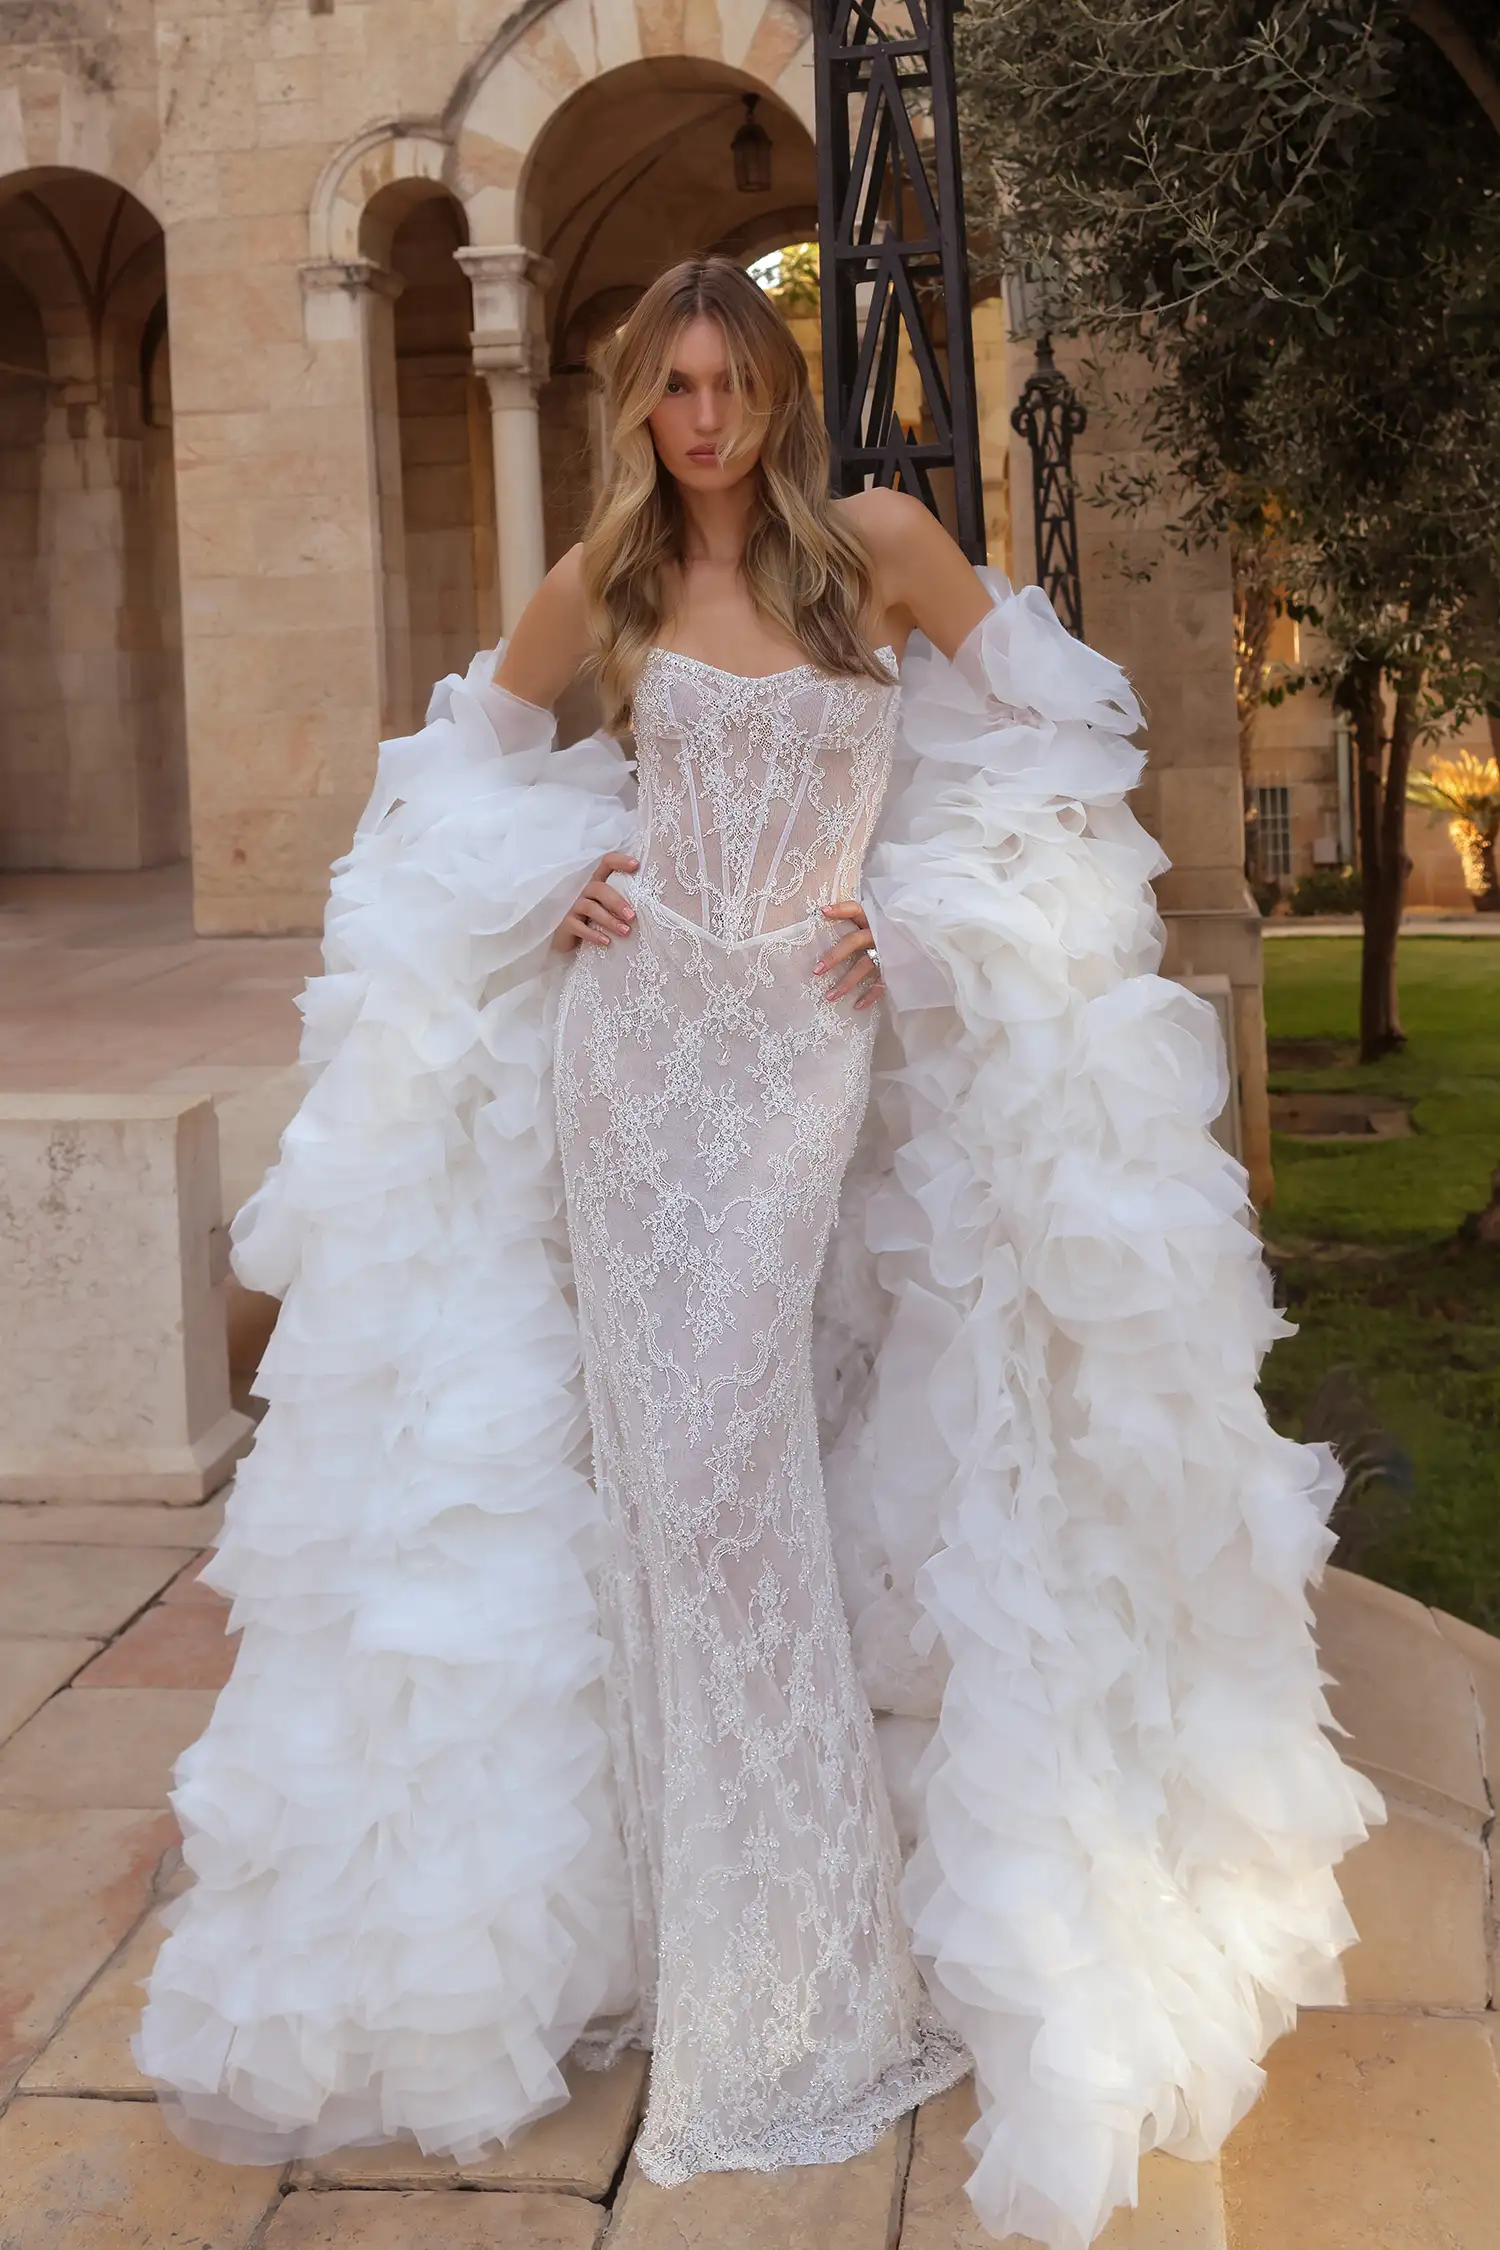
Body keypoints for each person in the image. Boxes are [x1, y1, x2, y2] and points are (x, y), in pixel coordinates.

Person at [134, 257, 1382, 2250]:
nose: (702, 418)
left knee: (731, 1480)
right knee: (679, 1489)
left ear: (780, 394)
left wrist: (939, 916)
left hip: (800, 1057)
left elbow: (1065, 741)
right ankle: (726, 1955)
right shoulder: (604, 580)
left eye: (731, 384)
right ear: (640, 402)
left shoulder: (875, 548)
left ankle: (805, 1971)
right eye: (673, 387)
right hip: (634, 1071)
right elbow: (451, 777)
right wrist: (554, 885)